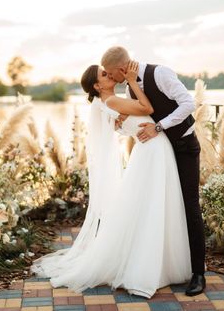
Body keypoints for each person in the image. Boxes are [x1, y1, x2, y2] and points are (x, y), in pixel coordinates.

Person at [32, 61, 191, 298]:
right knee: (152, 206)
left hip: (152, 151)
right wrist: (131, 81)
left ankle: (159, 263)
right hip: (151, 151)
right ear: (98, 85)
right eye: (104, 75)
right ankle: (147, 267)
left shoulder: (111, 103)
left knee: (152, 206)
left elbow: (125, 123)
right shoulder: (112, 101)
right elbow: (146, 106)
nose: (109, 75)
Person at [101, 46, 206, 296]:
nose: (109, 77)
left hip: (183, 147)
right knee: (164, 205)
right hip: (160, 156)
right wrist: (120, 121)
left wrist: (159, 127)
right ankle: (167, 266)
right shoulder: (128, 87)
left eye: (108, 73)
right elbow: (139, 113)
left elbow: (188, 104)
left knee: (189, 205)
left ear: (120, 69)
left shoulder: (161, 74)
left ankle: (198, 273)